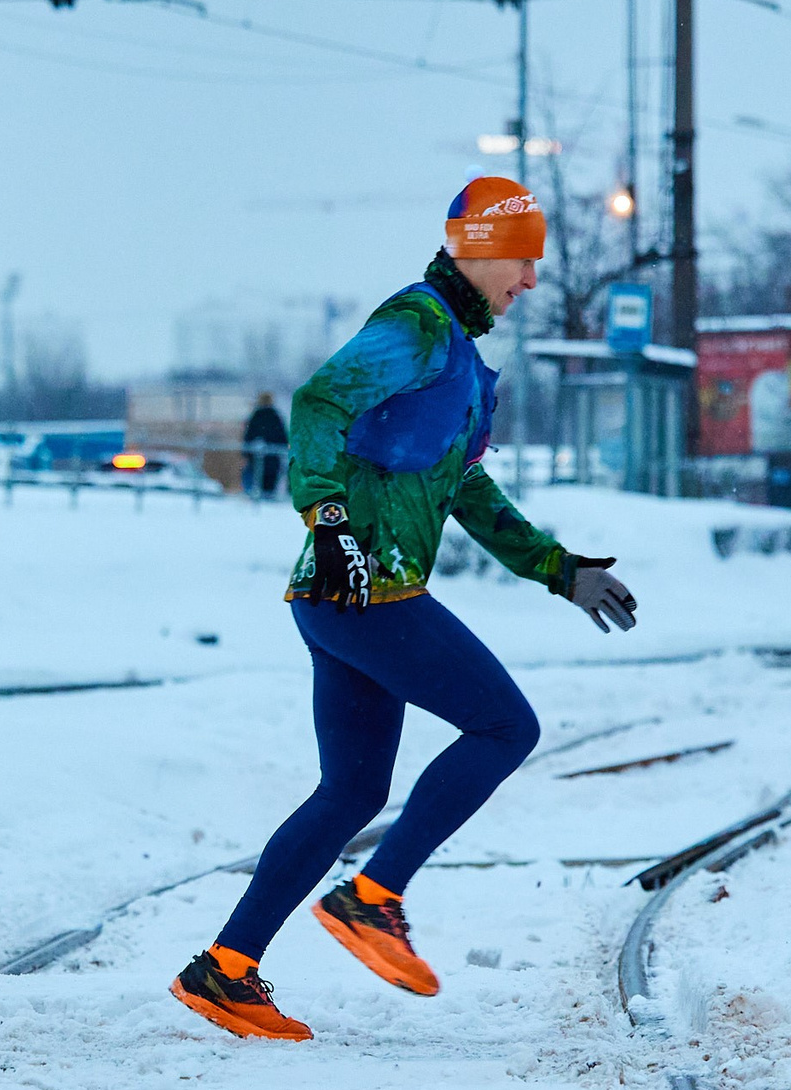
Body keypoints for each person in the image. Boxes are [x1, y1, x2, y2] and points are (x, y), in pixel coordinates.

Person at [170, 177, 639, 1041]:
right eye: (523, 261)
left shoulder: (456, 353)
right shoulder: (418, 327)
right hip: (364, 586)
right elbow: (317, 404)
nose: (530, 282)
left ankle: (225, 969)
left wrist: (555, 567)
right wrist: (334, 519)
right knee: (506, 726)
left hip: (343, 593)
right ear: (482, 250)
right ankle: (373, 899)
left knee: (351, 789)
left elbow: (460, 482)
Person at [242, 390, 288, 500]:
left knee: (256, 484)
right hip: (272, 459)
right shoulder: (275, 416)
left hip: (257, 458)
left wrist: (247, 453)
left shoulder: (256, 416)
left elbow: (249, 436)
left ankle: (257, 502)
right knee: (269, 487)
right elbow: (282, 438)